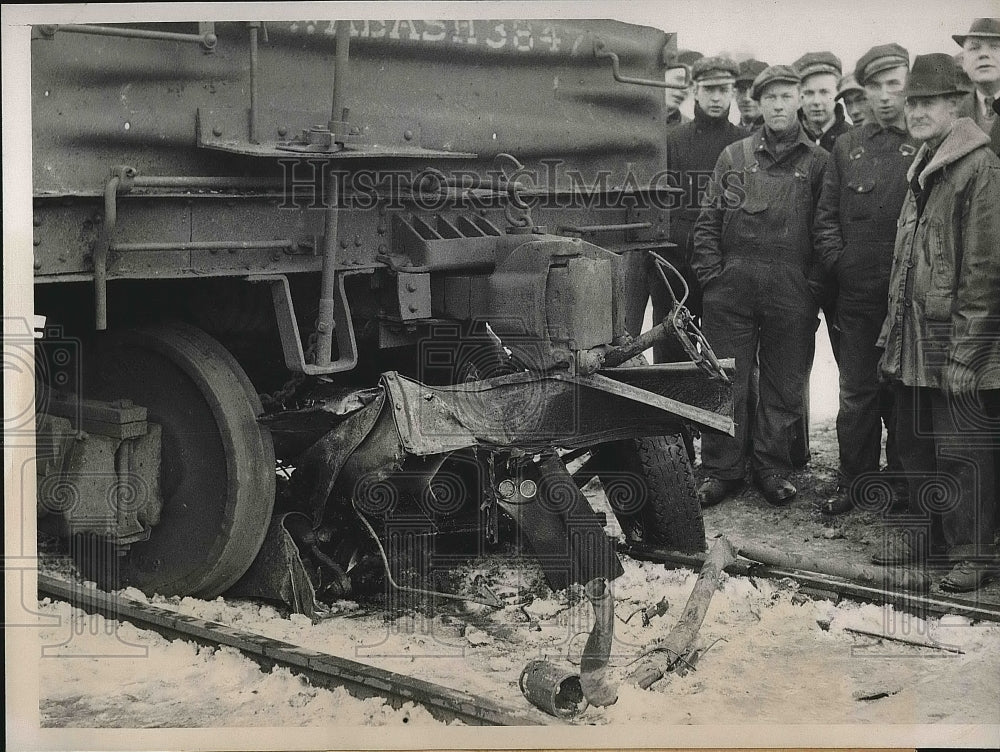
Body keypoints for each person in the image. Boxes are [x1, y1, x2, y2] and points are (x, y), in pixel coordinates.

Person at [874, 53, 1000, 592]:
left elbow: (984, 269)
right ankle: (929, 534)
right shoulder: (926, 164)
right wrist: (890, 333)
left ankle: (973, 551)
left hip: (956, 340)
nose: (917, 111)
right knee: (913, 443)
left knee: (962, 448)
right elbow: (910, 260)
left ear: (956, 104)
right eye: (912, 103)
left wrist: (969, 352)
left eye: (928, 102)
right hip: (915, 337)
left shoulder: (979, 167)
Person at [692, 65, 828, 507]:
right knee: (726, 379)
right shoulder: (735, 156)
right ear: (759, 103)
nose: (779, 105)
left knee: (784, 383)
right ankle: (722, 469)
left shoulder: (818, 162)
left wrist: (812, 288)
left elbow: (826, 230)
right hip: (732, 289)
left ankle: (772, 467)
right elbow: (708, 222)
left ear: (801, 100)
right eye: (770, 98)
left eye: (787, 96)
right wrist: (713, 278)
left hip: (791, 289)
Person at [814, 43, 916, 516]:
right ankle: (855, 481)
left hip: (911, 299)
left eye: (894, 83)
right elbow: (826, 218)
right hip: (857, 297)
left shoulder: (927, 140)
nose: (885, 96)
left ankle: (900, 483)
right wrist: (842, 263)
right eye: (875, 86)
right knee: (856, 394)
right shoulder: (846, 146)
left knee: (903, 393)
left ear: (908, 84)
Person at [653, 56, 744, 362]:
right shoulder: (672, 141)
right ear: (695, 90)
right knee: (671, 352)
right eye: (709, 89)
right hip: (676, 264)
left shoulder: (744, 144)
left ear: (732, 92)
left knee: (725, 355)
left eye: (723, 89)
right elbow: (658, 203)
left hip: (726, 263)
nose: (716, 98)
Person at [954, 17, 1000, 155]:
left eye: (995, 47)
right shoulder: (953, 112)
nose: (984, 54)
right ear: (963, 63)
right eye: (974, 48)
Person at [793, 51, 852, 151]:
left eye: (824, 92)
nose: (816, 101)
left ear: (838, 93)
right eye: (809, 93)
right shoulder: (785, 139)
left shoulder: (853, 138)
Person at [735, 58, 768, 134]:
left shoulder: (779, 136)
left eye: (754, 90)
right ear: (735, 95)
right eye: (741, 90)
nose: (747, 98)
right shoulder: (729, 136)